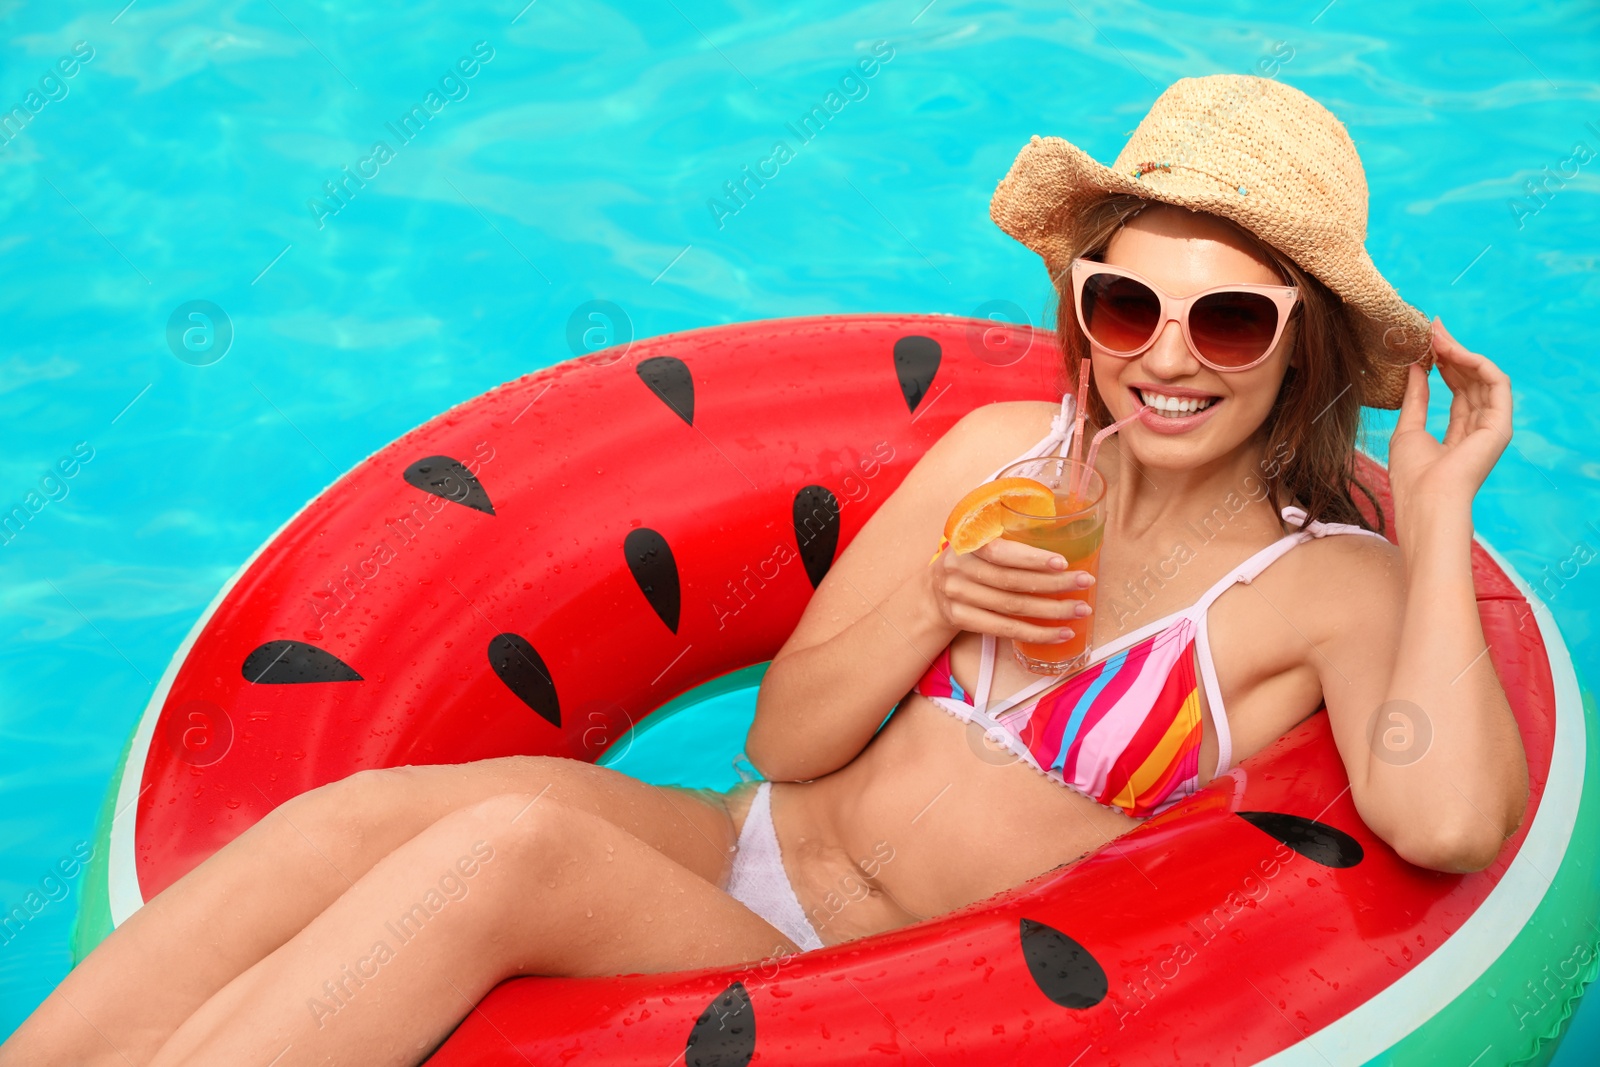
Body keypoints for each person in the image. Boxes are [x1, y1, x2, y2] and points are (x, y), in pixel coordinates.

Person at [2, 74, 1527, 1067]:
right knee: (364, 817)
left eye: (1232, 324)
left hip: (880, 974)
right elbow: (785, 740)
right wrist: (934, 593)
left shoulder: (1320, 589)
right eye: (1128, 308)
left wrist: (1444, 505)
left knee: (501, 859)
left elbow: (1451, 821)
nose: (1169, 363)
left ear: (1303, 343)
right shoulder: (1014, 454)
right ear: (1085, 308)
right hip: (737, 852)